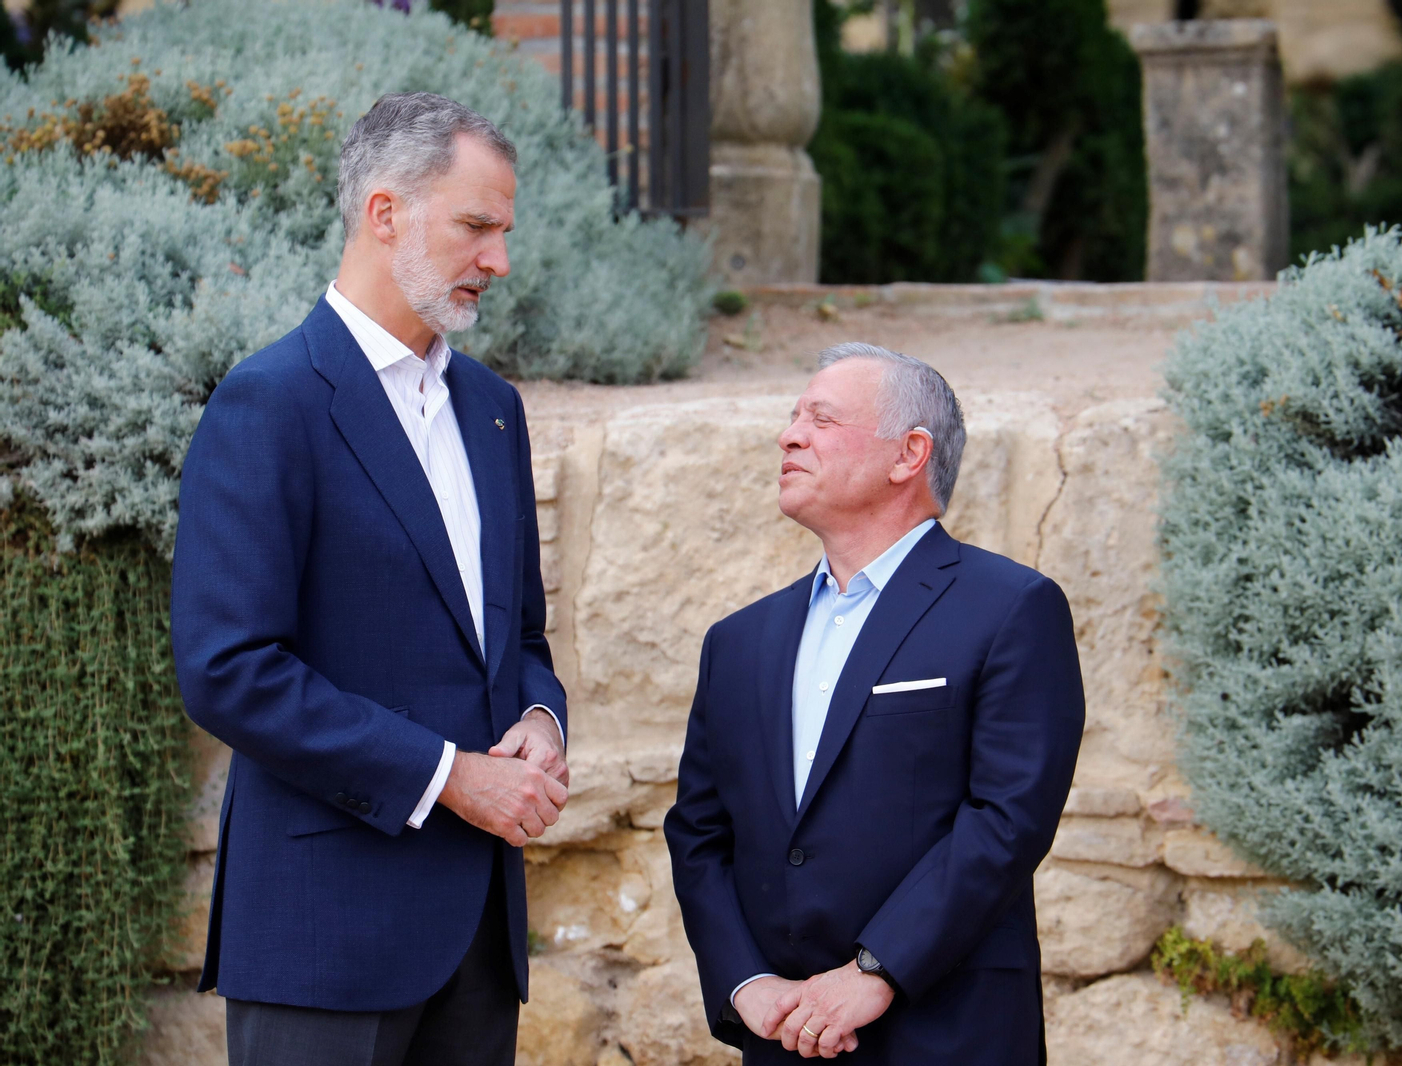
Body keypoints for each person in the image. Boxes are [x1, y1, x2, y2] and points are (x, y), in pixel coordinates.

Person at [170, 92, 569, 1066]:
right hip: (323, 937)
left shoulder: (492, 409)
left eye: (504, 231)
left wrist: (542, 720)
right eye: (476, 226)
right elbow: (229, 669)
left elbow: (515, 639)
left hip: (478, 940)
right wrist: (449, 776)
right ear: (383, 212)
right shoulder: (268, 402)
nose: (499, 261)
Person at [664, 343, 1085, 1063]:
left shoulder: (1012, 608)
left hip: (949, 1028)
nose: (788, 435)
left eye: (821, 419)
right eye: (793, 417)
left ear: (909, 454)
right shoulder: (737, 641)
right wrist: (744, 982)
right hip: (784, 1035)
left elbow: (1008, 819)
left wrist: (876, 970)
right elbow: (699, 832)